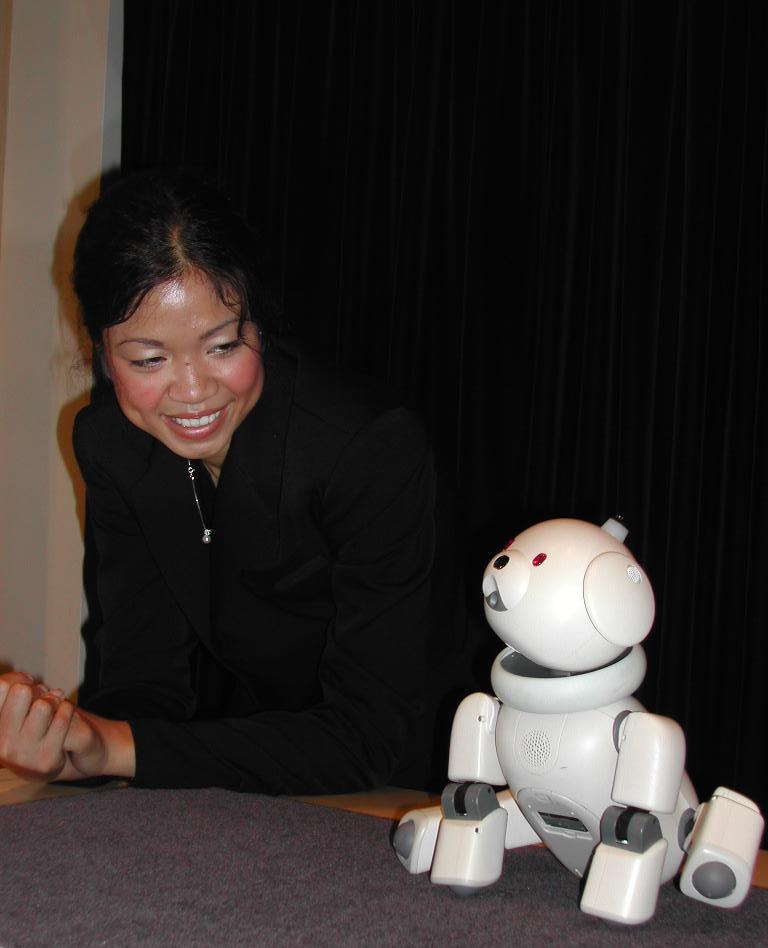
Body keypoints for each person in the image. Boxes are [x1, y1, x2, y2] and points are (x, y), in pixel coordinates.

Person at [0, 170, 464, 793]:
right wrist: (67, 740)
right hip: (240, 782)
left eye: (222, 346)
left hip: (420, 791)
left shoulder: (366, 450)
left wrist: (111, 746)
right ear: (102, 354)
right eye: (149, 360)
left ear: (258, 325)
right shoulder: (112, 444)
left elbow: (368, 737)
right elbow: (140, 681)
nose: (192, 391)